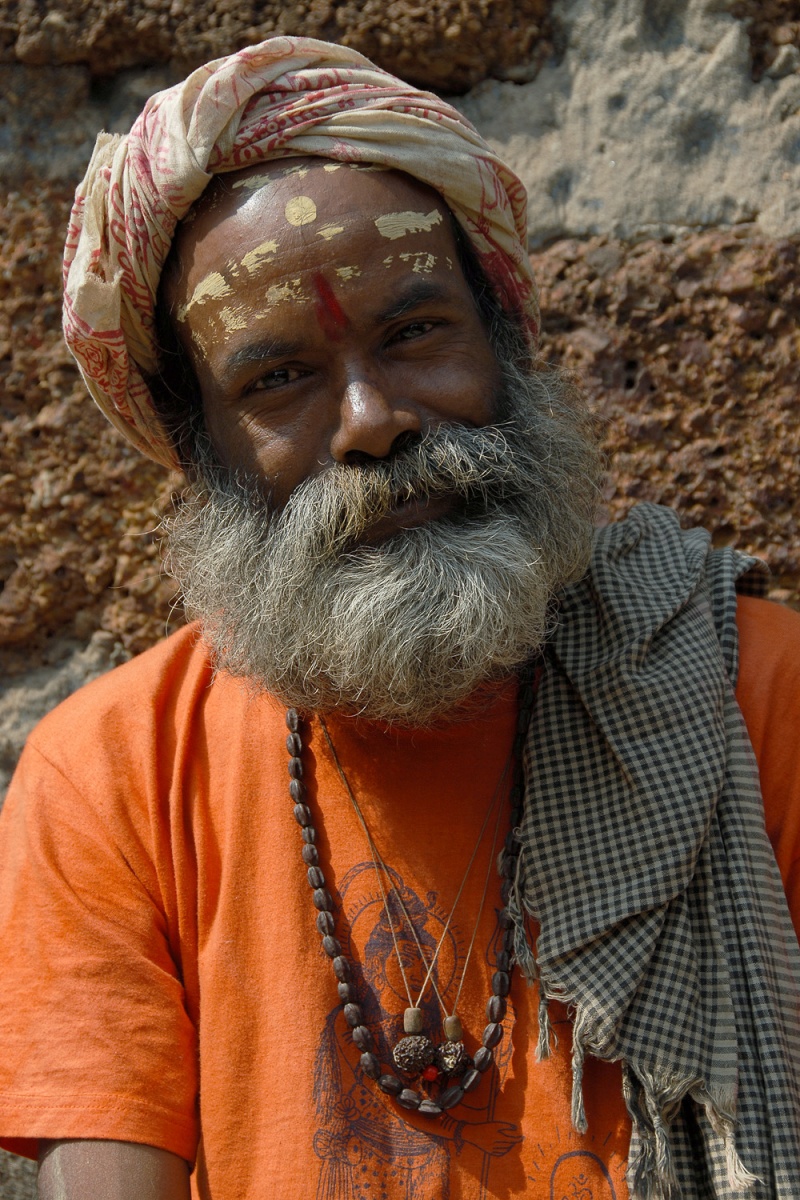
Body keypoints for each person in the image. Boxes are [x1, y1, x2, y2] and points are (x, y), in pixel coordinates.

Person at [0, 35, 798, 1200]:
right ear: (198, 446)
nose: (373, 420)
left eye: (415, 333)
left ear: (506, 341)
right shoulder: (112, 777)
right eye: (277, 379)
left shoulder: (749, 696)